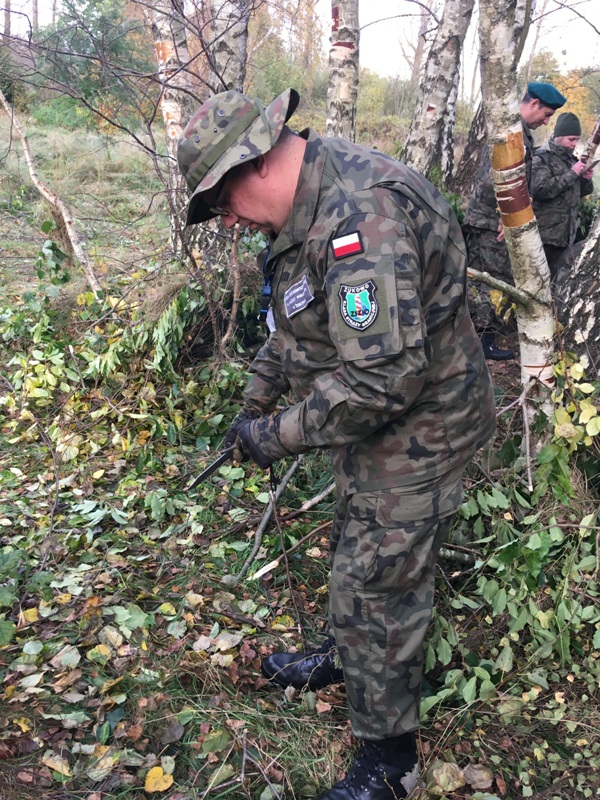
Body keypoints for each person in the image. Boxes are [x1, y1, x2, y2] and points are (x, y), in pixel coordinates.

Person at [177, 88, 496, 800]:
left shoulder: (361, 218)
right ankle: (347, 653)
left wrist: (275, 435)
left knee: (377, 580)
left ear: (255, 162)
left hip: (421, 426)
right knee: (355, 540)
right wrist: (255, 398)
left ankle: (389, 764)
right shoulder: (306, 207)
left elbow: (383, 381)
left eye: (222, 202)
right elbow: (298, 319)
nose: (226, 220)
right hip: (371, 419)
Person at [462, 81, 567, 360]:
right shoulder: (511, 133)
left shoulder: (514, 130)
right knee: (493, 281)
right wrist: (504, 215)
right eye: (546, 114)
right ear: (534, 104)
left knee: (480, 279)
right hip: (492, 221)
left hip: (486, 218)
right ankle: (483, 343)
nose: (546, 121)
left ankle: (472, 340)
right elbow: (491, 179)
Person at [530, 111, 595, 277]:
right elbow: (540, 189)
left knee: (556, 284)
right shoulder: (543, 158)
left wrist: (586, 179)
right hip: (544, 237)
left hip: (566, 238)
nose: (574, 144)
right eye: (571, 139)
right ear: (558, 135)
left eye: (577, 139)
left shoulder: (572, 160)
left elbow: (580, 192)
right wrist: (572, 174)